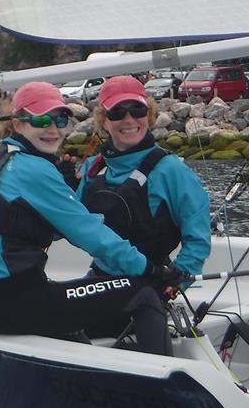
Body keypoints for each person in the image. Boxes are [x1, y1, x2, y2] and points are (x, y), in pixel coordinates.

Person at [0, 81, 183, 355]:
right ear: (18, 124)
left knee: (74, 321)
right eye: (40, 119)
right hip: (15, 304)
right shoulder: (33, 169)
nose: (52, 129)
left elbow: (41, 228)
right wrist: (150, 270)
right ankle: (164, 387)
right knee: (144, 293)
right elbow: (90, 234)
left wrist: (65, 190)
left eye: (60, 119)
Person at [75, 75, 211, 335]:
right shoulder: (93, 167)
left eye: (137, 110)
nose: (128, 120)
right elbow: (68, 224)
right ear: (104, 120)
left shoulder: (171, 171)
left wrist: (178, 279)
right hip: (100, 279)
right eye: (117, 112)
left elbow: (198, 238)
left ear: (148, 115)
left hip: (151, 285)